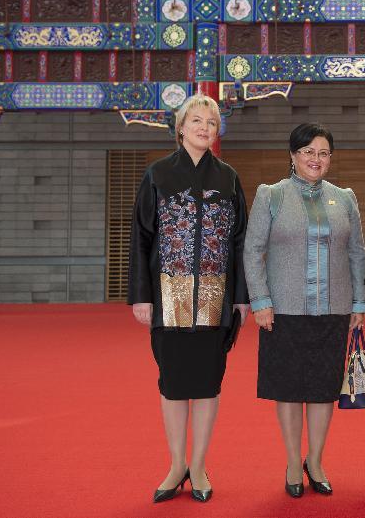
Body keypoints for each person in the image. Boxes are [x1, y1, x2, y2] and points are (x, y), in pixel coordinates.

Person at [128, 93, 249, 503]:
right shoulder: (158, 175)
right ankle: (176, 462)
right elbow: (141, 240)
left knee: (208, 383)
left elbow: (240, 242)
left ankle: (198, 464)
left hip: (217, 295)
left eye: (211, 123)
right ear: (180, 128)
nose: (203, 127)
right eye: (196, 120)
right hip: (169, 291)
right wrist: (141, 297)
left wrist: (242, 298)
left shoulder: (229, 178)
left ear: (217, 131)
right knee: (174, 383)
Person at [243, 123, 365, 498]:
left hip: (333, 309)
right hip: (285, 310)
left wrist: (359, 302)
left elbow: (356, 252)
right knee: (290, 388)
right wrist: (261, 301)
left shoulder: (344, 198)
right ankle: (293, 461)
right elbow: (253, 250)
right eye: (308, 151)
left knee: (322, 389)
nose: (316, 159)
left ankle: (316, 460)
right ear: (293, 155)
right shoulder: (272, 195)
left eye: (324, 153)